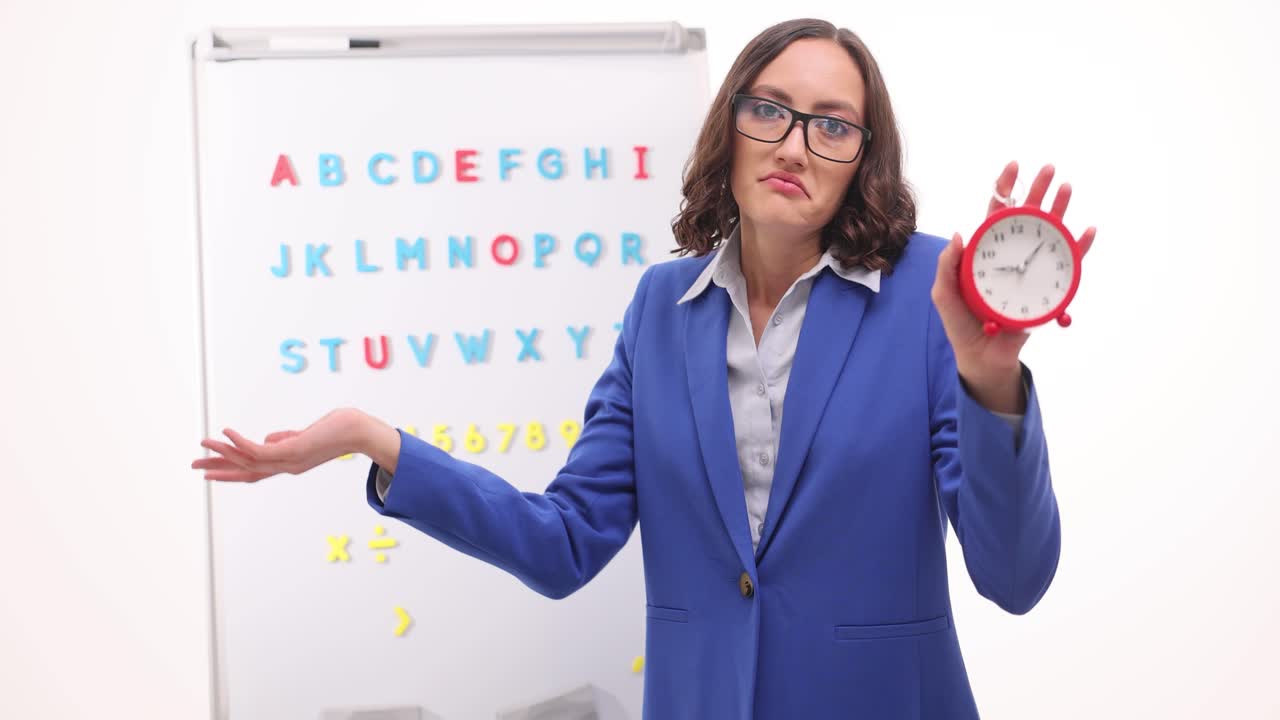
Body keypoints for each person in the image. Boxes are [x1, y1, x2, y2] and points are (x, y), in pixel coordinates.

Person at [193, 18, 1097, 719]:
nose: (794, 145)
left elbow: (1014, 580)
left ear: (864, 159)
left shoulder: (928, 299)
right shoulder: (660, 315)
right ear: (732, 122)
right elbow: (563, 543)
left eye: (833, 126)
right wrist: (376, 441)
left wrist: (991, 385)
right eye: (770, 110)